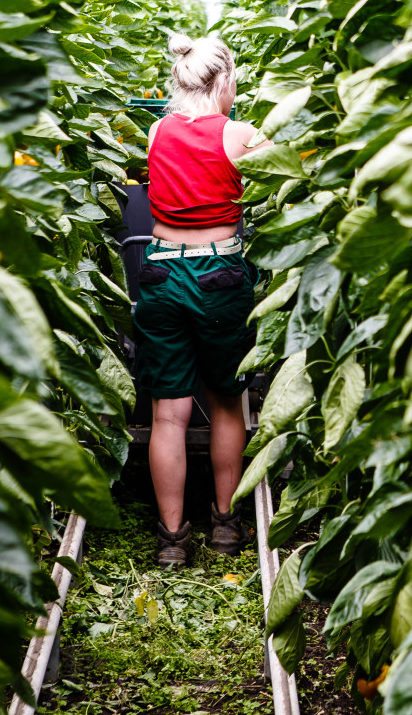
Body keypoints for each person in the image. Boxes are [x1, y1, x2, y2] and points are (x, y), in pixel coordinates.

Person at [133, 33, 269, 569]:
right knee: (226, 403)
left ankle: (172, 540)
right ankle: (226, 525)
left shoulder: (156, 130)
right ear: (226, 80)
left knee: (169, 413)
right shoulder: (239, 135)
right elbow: (290, 180)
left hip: (161, 274)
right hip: (218, 275)